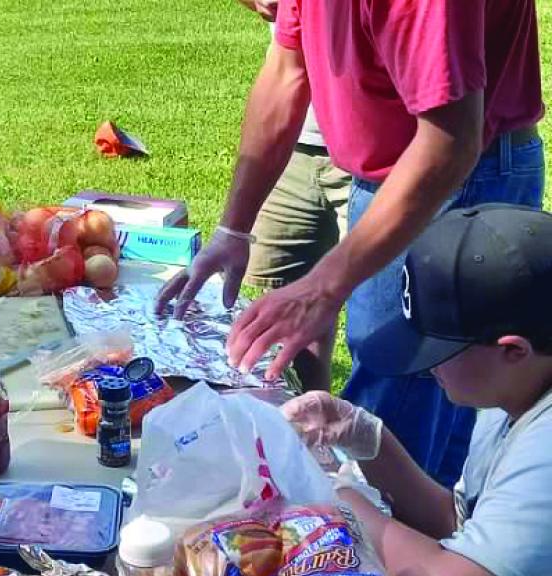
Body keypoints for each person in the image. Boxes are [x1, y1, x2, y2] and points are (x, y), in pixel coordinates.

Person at [157, 0, 544, 486]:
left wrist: (323, 287)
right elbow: (286, 71)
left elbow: (451, 141)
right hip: (386, 170)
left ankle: (424, 551)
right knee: (407, 406)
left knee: (400, 406)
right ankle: (445, 537)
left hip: (461, 174)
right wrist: (234, 230)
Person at [282, 205, 552, 576]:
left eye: (438, 352)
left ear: (513, 350)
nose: (426, 370)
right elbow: (458, 524)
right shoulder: (513, 389)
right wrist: (367, 439)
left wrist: (341, 506)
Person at [234, 0, 351, 392]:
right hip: (293, 140)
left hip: (381, 155)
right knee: (282, 296)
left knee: (386, 326)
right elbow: (289, 67)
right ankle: (312, 415)